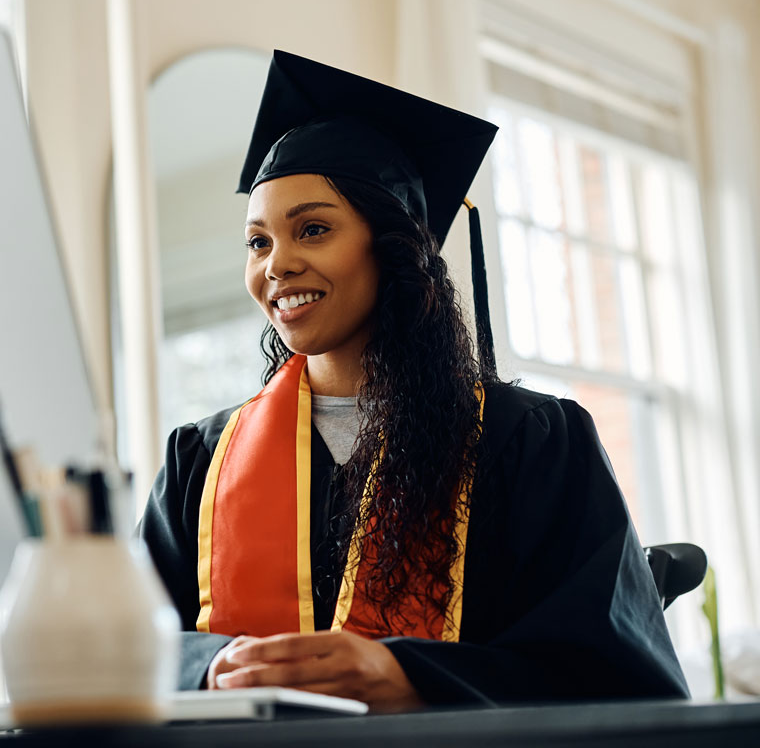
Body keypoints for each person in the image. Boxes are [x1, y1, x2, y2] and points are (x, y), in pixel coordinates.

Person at [137, 49, 689, 711]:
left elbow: (617, 675)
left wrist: (412, 680)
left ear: (395, 247)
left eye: (312, 229)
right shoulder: (199, 461)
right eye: (258, 243)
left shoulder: (531, 443)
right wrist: (222, 665)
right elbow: (129, 648)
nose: (276, 265)